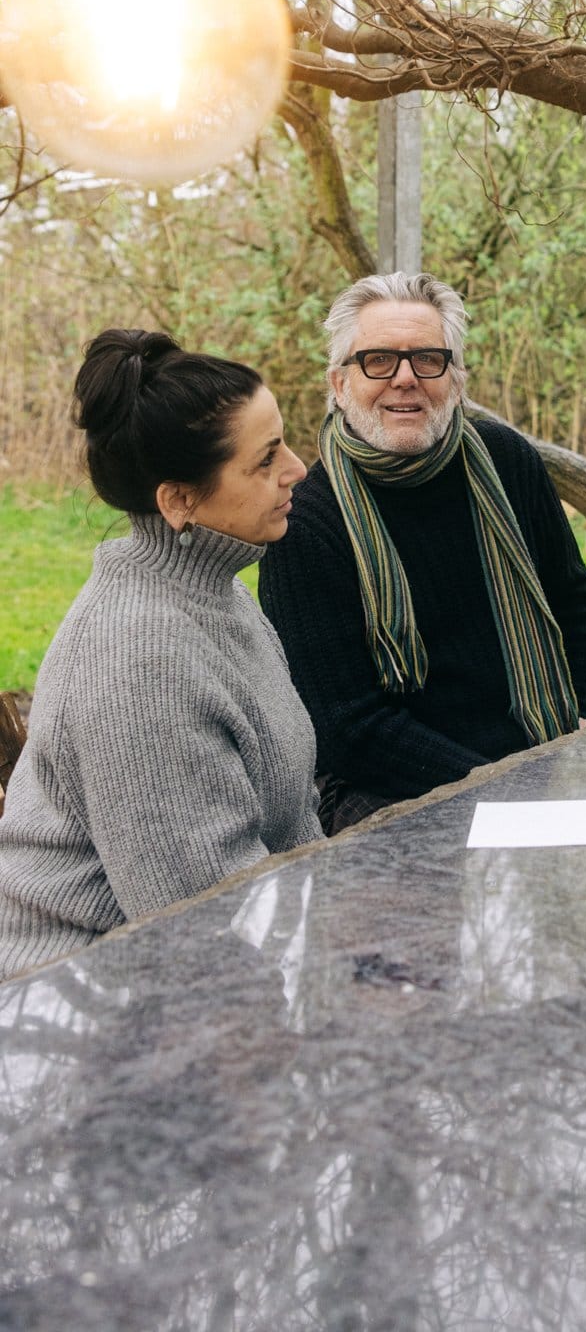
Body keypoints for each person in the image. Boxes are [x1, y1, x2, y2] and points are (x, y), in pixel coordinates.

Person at [0, 330, 320, 981]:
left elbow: (290, 831)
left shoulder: (217, 593)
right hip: (77, 987)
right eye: (264, 461)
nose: (297, 469)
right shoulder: (139, 664)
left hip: (191, 969)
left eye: (283, 441)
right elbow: (201, 936)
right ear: (178, 501)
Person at [259, 272, 586, 831]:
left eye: (428, 359)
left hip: (545, 748)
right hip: (387, 785)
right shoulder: (307, 521)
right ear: (339, 382)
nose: (405, 379)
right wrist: (500, 788)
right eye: (377, 361)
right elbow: (347, 728)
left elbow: (575, 601)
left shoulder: (507, 461)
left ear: (457, 378)